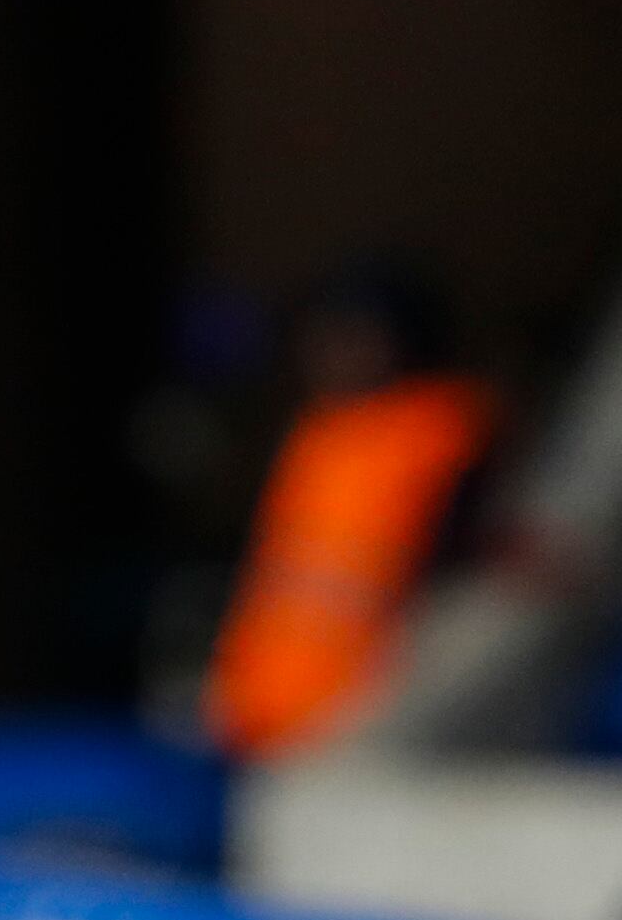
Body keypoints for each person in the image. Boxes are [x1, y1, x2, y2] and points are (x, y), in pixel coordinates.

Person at [204, 259, 499, 762]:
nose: (332, 354)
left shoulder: (443, 432)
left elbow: (465, 564)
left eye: (354, 336)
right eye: (324, 336)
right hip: (266, 715)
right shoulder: (321, 432)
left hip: (365, 725)